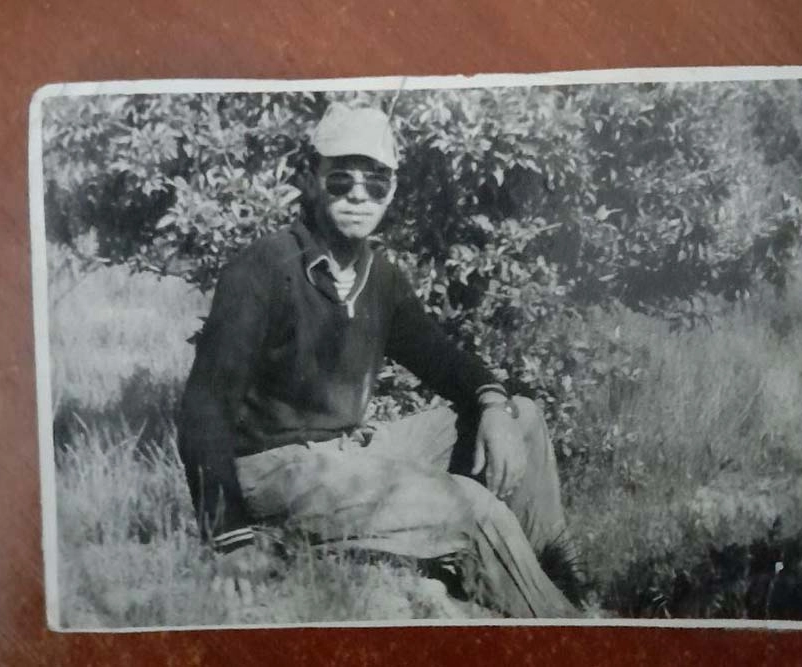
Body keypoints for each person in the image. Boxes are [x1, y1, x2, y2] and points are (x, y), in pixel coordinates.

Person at [177, 103, 586, 618]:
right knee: (473, 508)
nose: (358, 196)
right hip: (279, 471)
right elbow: (203, 408)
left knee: (521, 418)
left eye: (375, 182)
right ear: (311, 178)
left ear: (391, 191)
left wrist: (493, 404)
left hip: (351, 453)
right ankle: (567, 632)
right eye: (341, 179)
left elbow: (440, 356)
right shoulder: (263, 269)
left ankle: (556, 578)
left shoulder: (380, 277)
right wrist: (229, 537)